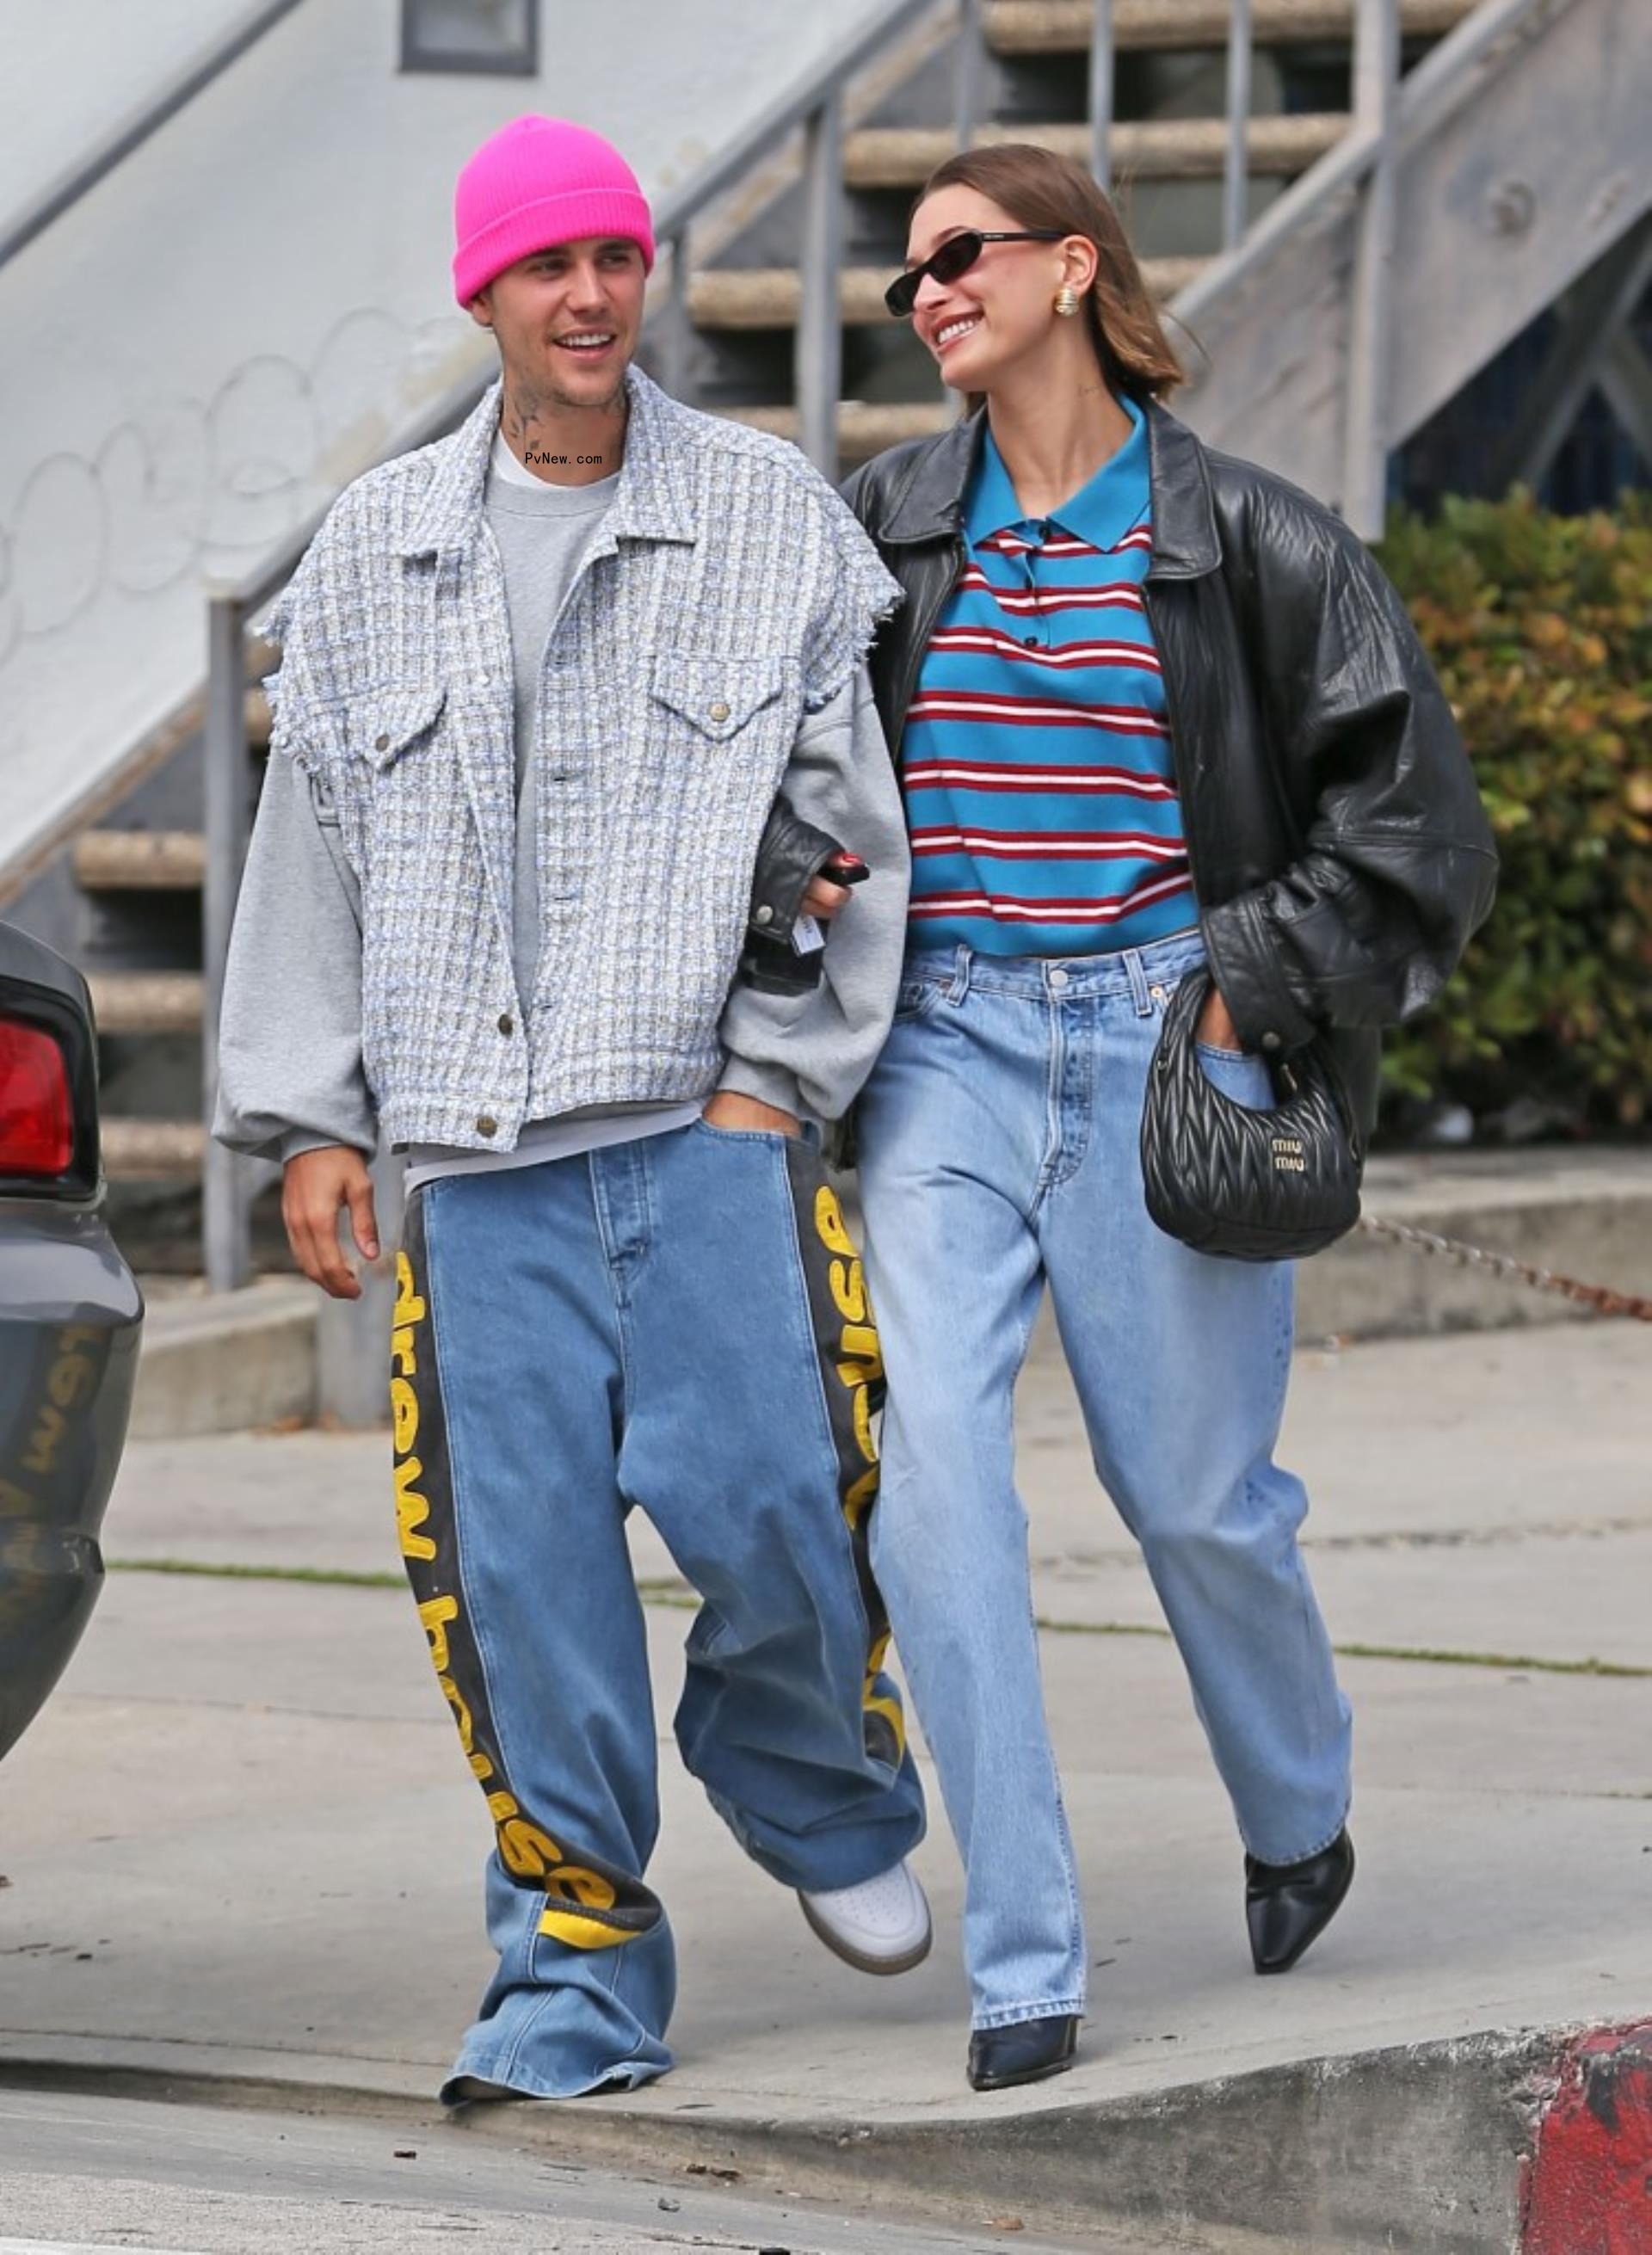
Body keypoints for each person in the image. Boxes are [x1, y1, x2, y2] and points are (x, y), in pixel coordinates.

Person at [213, 114, 930, 2104]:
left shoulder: (768, 515)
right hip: (478, 1170)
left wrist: (771, 1087)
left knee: (788, 1511)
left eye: (617, 258)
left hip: (700, 1133)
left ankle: (807, 1768)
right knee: (520, 1589)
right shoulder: (375, 552)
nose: (593, 296)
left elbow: (844, 826)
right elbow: (311, 851)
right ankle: (576, 1975)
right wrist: (314, 1120)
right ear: (489, 298)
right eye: (552, 268)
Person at [841, 145, 1497, 2094]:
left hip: (1161, 1050)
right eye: (907, 280)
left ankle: (1298, 1802)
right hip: (940, 1055)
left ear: (1070, 267)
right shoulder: (882, 535)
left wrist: (1238, 984)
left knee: (1198, 1503)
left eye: (957, 258)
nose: (927, 295)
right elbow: (794, 785)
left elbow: (1418, 838)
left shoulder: (1257, 544)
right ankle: (1024, 1956)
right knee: (940, 1487)